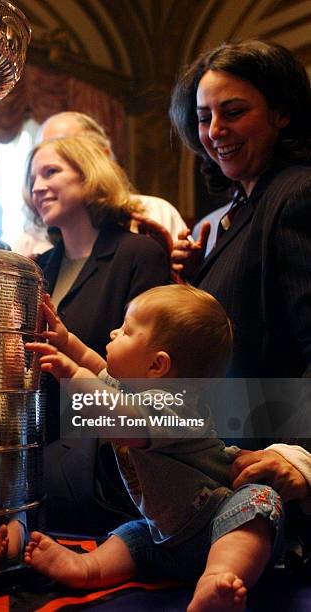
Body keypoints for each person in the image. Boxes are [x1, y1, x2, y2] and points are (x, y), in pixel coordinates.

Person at [24, 286, 284, 612]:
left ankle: (220, 577)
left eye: (128, 330)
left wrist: (73, 375)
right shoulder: (136, 392)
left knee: (257, 502)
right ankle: (88, 568)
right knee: (135, 535)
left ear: (157, 365)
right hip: (168, 537)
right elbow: (100, 367)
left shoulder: (175, 408)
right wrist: (65, 341)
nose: (114, 331)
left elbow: (117, 416)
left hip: (218, 522)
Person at [169, 39, 311, 544]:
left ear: (282, 113)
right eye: (205, 117)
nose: (215, 132)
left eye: (233, 112)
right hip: (226, 483)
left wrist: (297, 454)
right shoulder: (239, 211)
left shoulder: (297, 192)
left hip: (275, 499)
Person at [24, 135, 171, 533]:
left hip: (110, 467)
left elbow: (147, 379)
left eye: (51, 171)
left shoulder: (138, 255)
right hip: (40, 454)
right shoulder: (37, 268)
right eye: (32, 177)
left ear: (89, 176)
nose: (36, 187)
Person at [13, 111, 186, 257]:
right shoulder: (30, 241)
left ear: (101, 155)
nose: (38, 187)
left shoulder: (156, 212)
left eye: (69, 146)